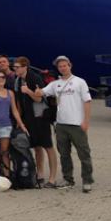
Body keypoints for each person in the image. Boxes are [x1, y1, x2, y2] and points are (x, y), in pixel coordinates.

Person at [35, 56, 93, 192]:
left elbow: (87, 102)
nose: (62, 68)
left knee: (84, 153)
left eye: (64, 65)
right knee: (64, 154)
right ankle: (68, 179)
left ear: (70, 65)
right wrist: (35, 91)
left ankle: (87, 180)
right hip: (61, 124)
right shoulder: (56, 84)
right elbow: (41, 93)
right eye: (60, 66)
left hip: (77, 124)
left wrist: (86, 121)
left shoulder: (80, 82)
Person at [13, 56, 58, 188]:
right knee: (37, 147)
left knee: (48, 147)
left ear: (24, 67)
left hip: (41, 117)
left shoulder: (35, 78)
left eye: (17, 67)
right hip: (28, 119)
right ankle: (40, 175)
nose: (15, 69)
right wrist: (20, 120)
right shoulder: (18, 80)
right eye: (14, 67)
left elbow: (39, 99)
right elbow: (19, 102)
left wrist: (28, 91)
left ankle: (52, 178)